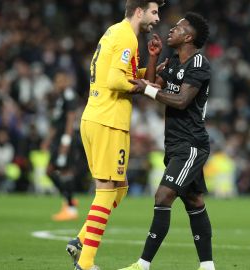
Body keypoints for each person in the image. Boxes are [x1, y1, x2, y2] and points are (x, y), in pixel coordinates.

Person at [66, 1, 165, 270]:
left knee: (118, 189)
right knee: (107, 190)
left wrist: (153, 65)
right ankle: (85, 264)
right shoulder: (126, 37)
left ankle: (80, 240)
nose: (157, 18)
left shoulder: (116, 32)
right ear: (139, 11)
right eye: (154, 12)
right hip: (108, 120)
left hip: (98, 117)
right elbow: (115, 81)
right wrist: (146, 88)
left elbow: (126, 76)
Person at [119, 12, 215, 270]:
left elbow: (181, 101)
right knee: (194, 201)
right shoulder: (173, 60)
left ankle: (143, 265)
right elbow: (152, 85)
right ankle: (208, 267)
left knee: (162, 197)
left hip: (191, 145)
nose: (171, 30)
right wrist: (152, 57)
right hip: (175, 144)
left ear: (189, 36)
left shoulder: (198, 64)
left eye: (178, 27)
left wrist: (148, 89)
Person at [46, 70, 80, 221]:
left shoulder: (69, 95)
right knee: (52, 170)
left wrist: (66, 141)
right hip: (58, 140)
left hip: (65, 141)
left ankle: (71, 208)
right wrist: (48, 140)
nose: (57, 84)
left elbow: (70, 119)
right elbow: (57, 121)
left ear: (66, 81)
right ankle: (69, 201)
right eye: (56, 81)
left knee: (63, 172)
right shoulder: (61, 97)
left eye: (60, 81)